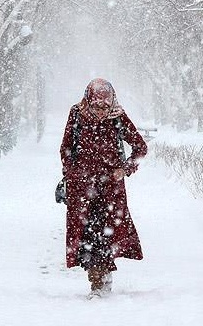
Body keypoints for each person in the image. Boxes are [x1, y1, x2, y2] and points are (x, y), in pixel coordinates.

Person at [59, 78, 148, 298]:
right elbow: (66, 148)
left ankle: (102, 279)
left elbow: (140, 148)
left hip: (111, 190)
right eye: (96, 106)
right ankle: (96, 279)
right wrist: (72, 174)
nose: (101, 111)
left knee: (106, 234)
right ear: (89, 100)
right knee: (87, 236)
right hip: (82, 189)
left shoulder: (118, 117)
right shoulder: (77, 114)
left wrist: (124, 169)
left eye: (105, 106)